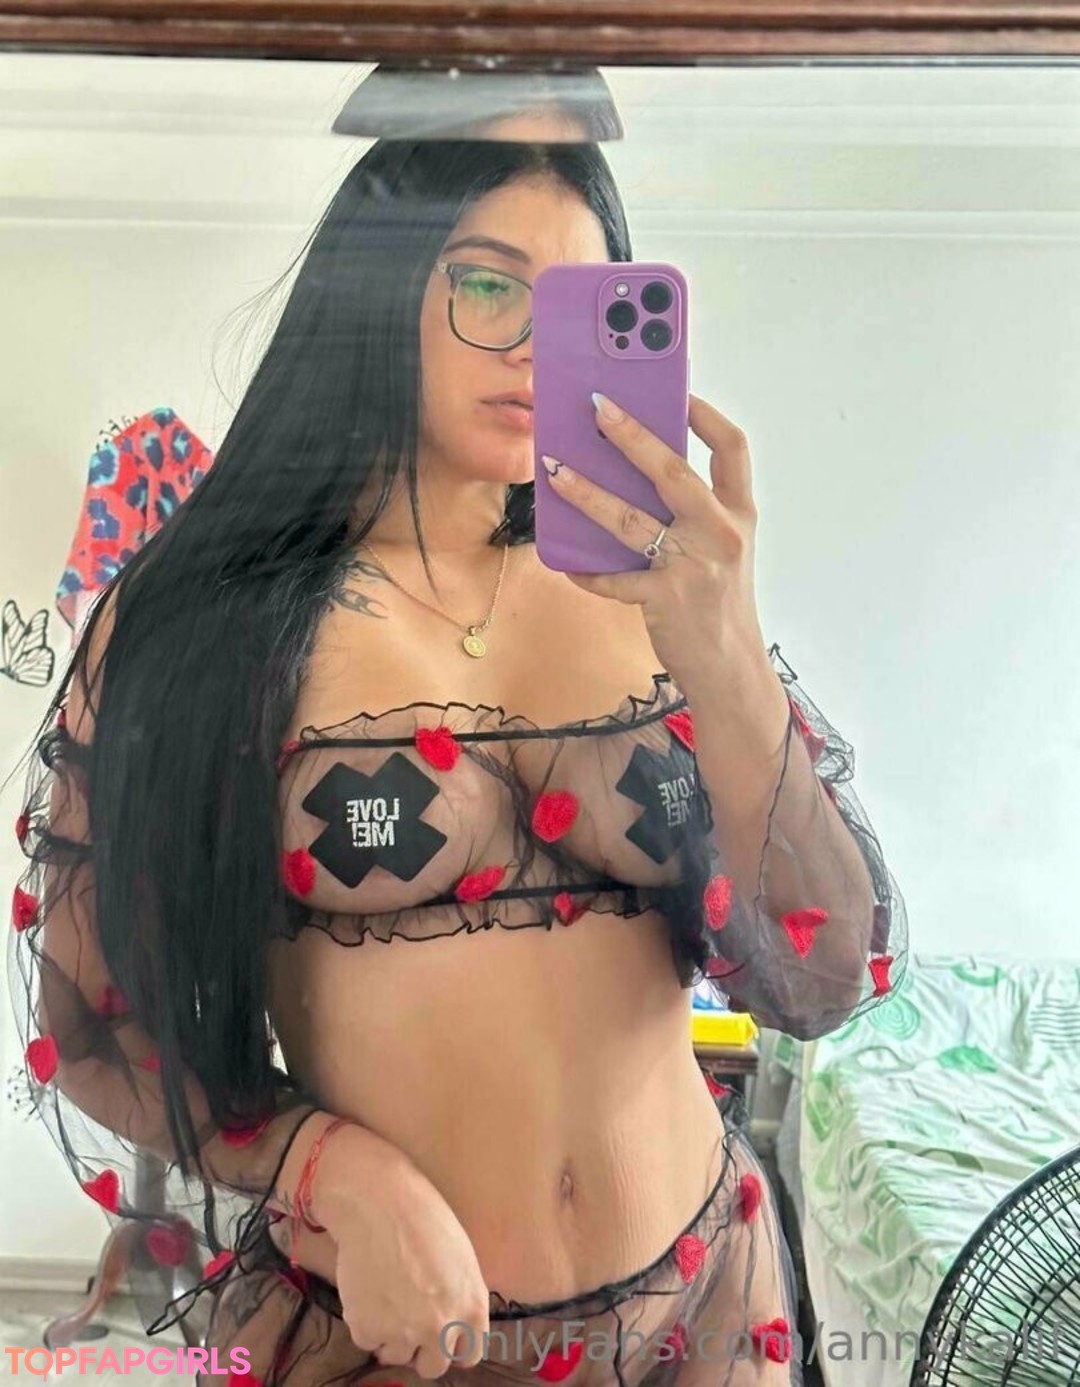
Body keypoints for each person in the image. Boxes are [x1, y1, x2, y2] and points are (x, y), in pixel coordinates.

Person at [9, 100, 907, 1387]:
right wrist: (332, 1169)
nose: (536, 349)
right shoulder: (201, 623)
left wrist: (727, 659)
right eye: (487, 285)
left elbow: (824, 979)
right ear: (375, 291)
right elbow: (91, 1028)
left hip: (713, 1305)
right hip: (399, 1338)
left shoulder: (656, 591)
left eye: (577, 306)